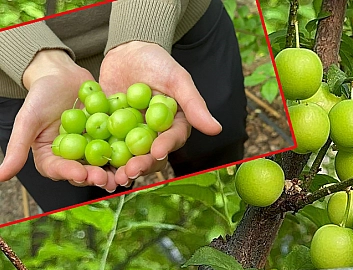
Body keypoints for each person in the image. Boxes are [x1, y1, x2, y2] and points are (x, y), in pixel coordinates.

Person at [0, 0, 248, 212]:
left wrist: (142, 25)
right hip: (20, 79)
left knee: (218, 156)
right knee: (82, 199)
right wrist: (33, 57)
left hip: (177, 28)